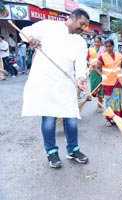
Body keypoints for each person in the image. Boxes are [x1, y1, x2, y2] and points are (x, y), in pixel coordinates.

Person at [20, 8, 90, 168]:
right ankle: (52, 153)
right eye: (81, 24)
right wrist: (30, 39)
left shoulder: (80, 42)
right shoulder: (48, 26)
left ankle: (73, 150)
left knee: (71, 119)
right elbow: (23, 32)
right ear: (72, 17)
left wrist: (80, 78)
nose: (83, 28)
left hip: (66, 84)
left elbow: (81, 62)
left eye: (85, 26)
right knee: (49, 120)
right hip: (46, 83)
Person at [97, 39, 122, 127]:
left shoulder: (118, 55)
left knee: (118, 100)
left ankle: (117, 118)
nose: (108, 48)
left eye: (110, 46)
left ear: (113, 46)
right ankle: (109, 119)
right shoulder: (102, 56)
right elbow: (96, 67)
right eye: (106, 46)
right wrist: (102, 75)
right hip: (108, 81)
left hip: (118, 80)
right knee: (109, 101)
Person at [87, 35, 105, 112]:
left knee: (101, 88)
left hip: (101, 70)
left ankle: (99, 105)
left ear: (101, 42)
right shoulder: (90, 50)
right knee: (94, 89)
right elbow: (86, 59)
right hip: (93, 71)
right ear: (93, 42)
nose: (97, 43)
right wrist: (89, 64)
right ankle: (99, 103)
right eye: (95, 42)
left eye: (98, 42)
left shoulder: (103, 50)